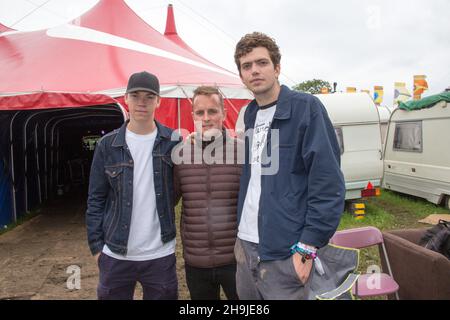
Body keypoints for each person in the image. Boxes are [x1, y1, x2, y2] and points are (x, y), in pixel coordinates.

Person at [233, 32, 346, 300]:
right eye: (246, 66)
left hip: (285, 251)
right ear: (241, 75)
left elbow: (328, 183)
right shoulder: (250, 113)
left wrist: (307, 247)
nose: (254, 71)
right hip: (246, 245)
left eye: (262, 63)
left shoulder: (306, 108)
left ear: (277, 67)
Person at [86, 71, 180, 300]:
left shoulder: (173, 141)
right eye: (135, 95)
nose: (142, 102)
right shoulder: (108, 145)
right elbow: (95, 198)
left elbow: (181, 188)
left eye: (149, 96)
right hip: (116, 253)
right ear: (125, 98)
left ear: (158, 101)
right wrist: (97, 248)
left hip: (160, 253)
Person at [172, 86, 243, 300]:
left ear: (224, 113)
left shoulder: (243, 151)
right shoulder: (180, 155)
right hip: (196, 263)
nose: (206, 118)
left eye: (212, 111)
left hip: (236, 260)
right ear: (192, 115)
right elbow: (167, 201)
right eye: (200, 112)